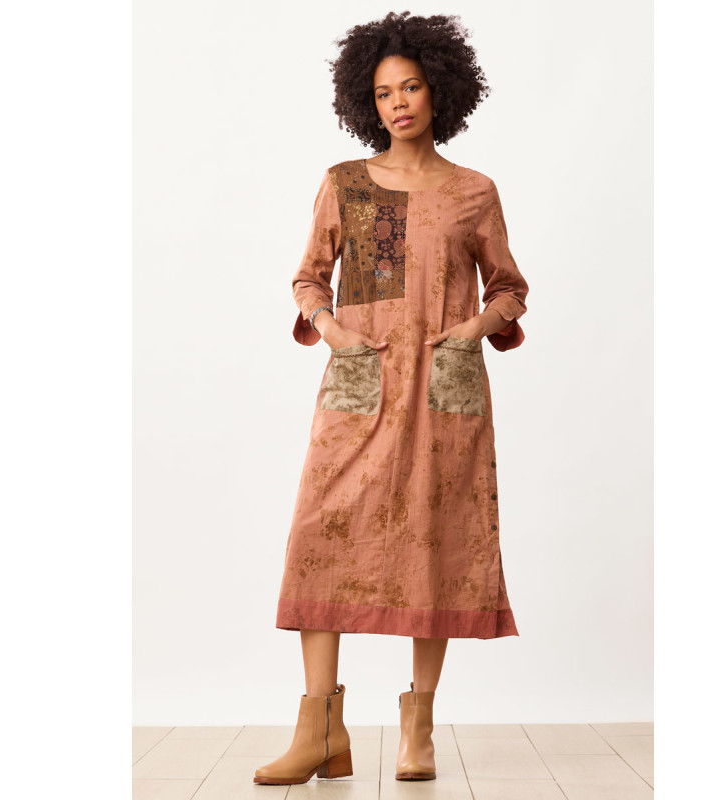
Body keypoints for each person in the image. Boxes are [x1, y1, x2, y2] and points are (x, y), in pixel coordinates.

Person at [254, 11, 530, 787]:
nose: (398, 103)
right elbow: (309, 277)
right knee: (319, 538)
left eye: (409, 87)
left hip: (443, 397)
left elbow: (510, 289)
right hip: (360, 387)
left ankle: (419, 730)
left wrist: (472, 329)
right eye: (383, 93)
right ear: (365, 101)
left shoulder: (474, 192)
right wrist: (332, 329)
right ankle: (321, 730)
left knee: (432, 547)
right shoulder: (345, 183)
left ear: (438, 89)